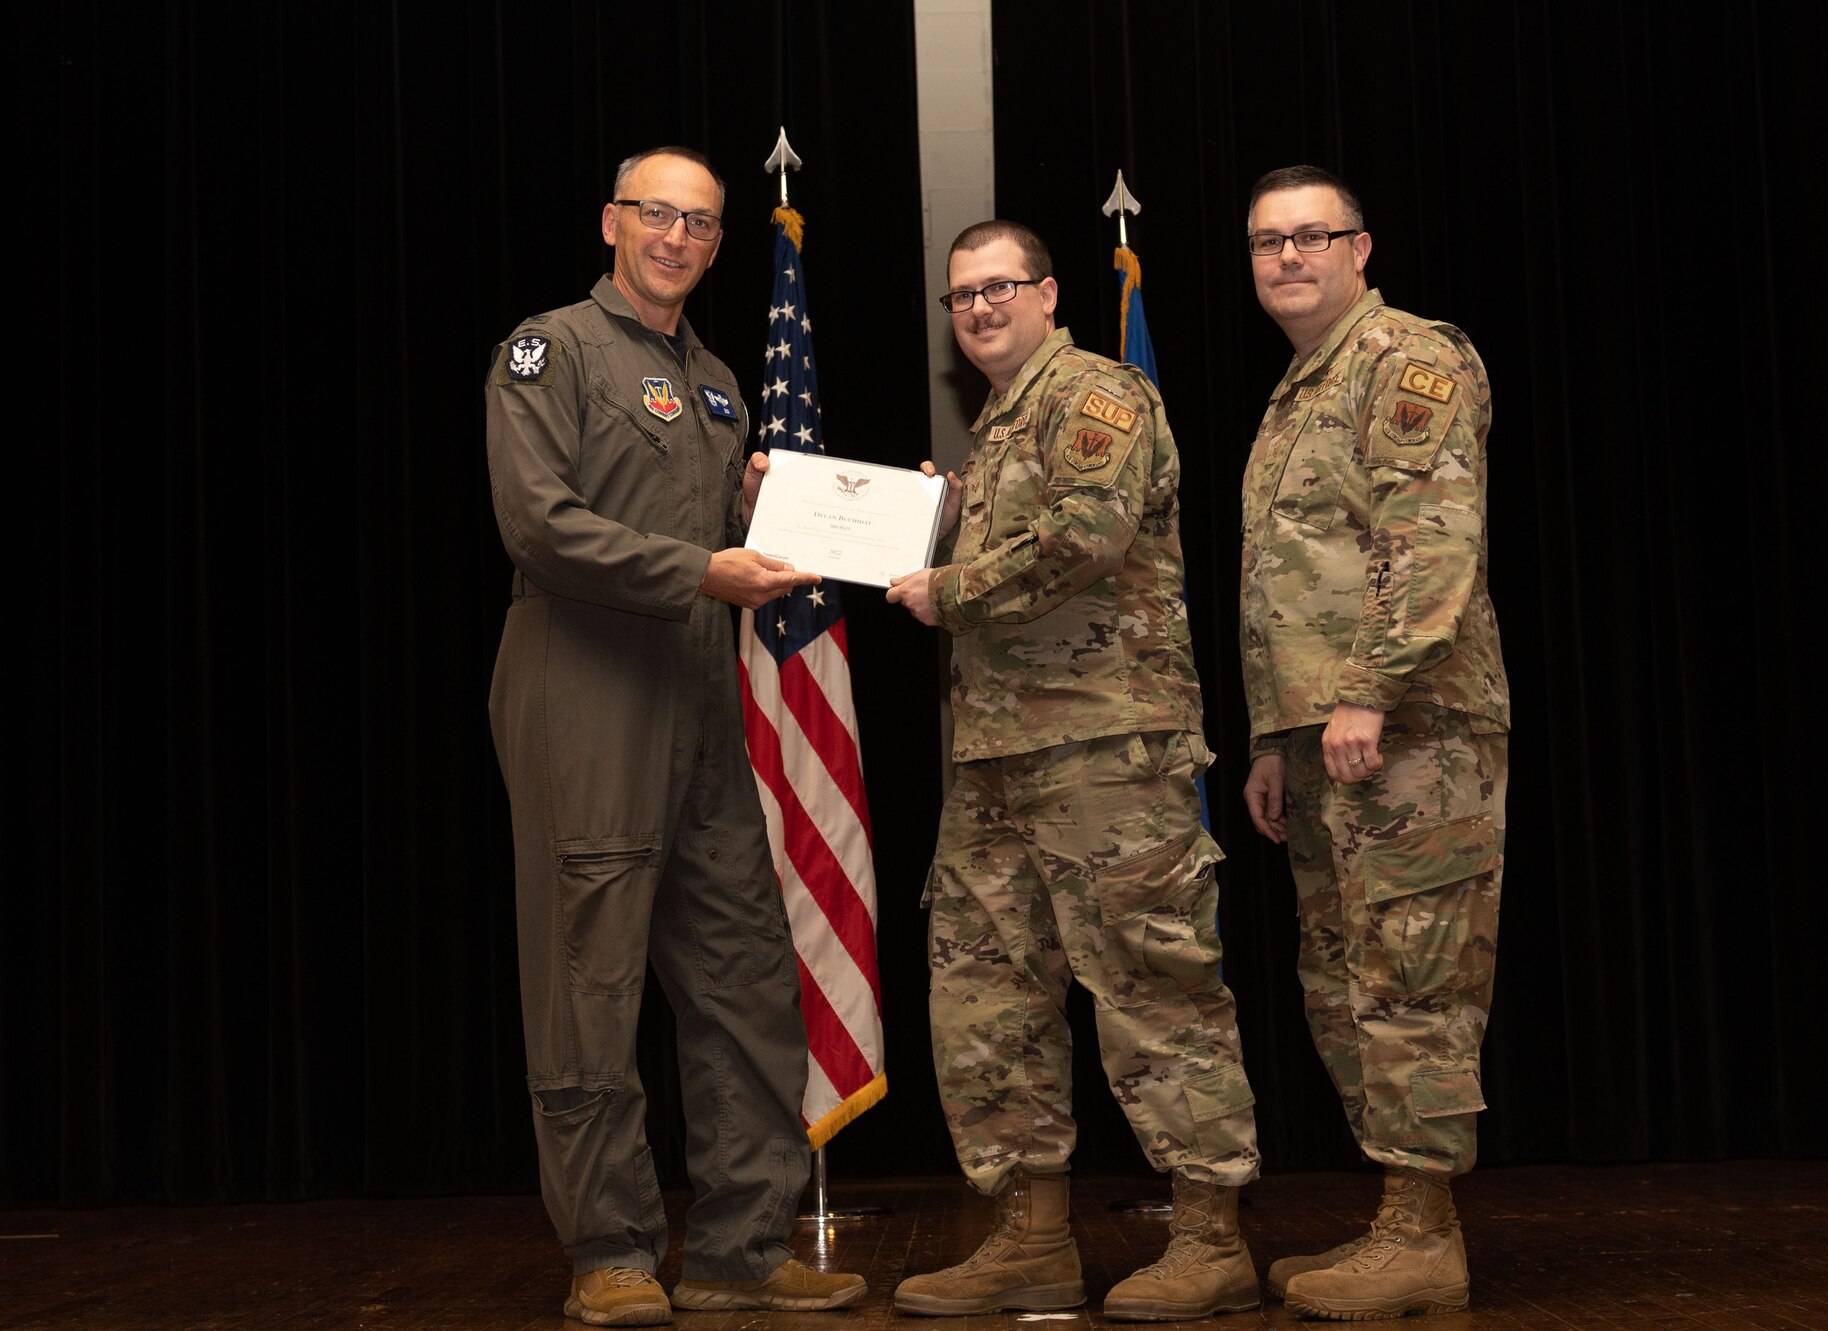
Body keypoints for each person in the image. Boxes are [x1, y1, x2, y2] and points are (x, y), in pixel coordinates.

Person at [485, 145, 865, 1326]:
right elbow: (540, 525)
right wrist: (700, 563)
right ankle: (608, 1246)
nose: (676, 238)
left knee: (746, 976)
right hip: (585, 686)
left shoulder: (712, 381)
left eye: (699, 224)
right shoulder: (547, 350)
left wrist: (761, 510)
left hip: (701, 696)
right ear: (612, 221)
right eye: (656, 214)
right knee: (588, 980)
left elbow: (718, 541)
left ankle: (740, 1250)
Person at [885, 220, 1261, 1321]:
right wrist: (922, 517)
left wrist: (944, 586)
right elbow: (1018, 537)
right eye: (961, 296)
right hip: (995, 756)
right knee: (985, 997)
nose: (981, 308)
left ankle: (1208, 1236)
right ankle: (1031, 1237)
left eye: (1000, 286)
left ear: (1050, 294)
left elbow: (1084, 535)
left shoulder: (1097, 395)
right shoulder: (997, 427)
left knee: (1153, 986)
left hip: (1105, 747)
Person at [1236, 165, 1510, 1321]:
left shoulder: (1408, 357)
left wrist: (1367, 692)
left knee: (1413, 974)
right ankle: (1401, 1221)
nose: (1287, 258)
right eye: (1265, 242)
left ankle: (1420, 1235)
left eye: (1311, 236)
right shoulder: (1303, 385)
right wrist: (1271, 734)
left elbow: (1428, 539)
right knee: (1343, 978)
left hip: (1411, 730)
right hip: (1323, 734)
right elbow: (1289, 579)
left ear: (1358, 247)